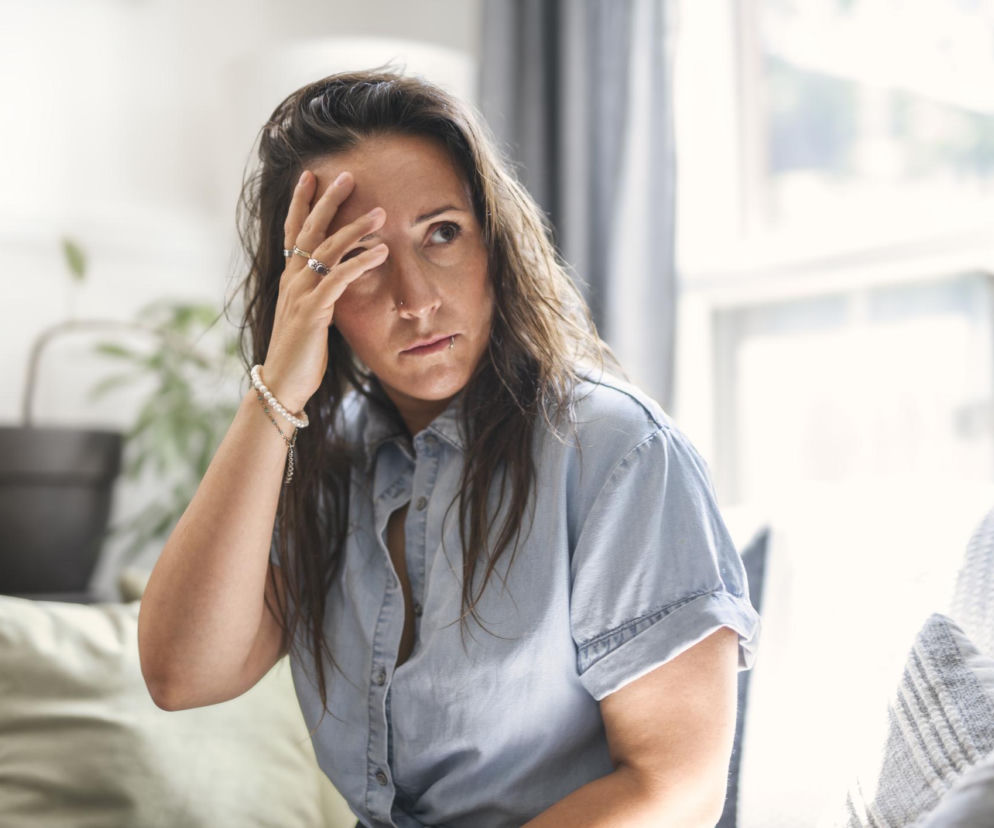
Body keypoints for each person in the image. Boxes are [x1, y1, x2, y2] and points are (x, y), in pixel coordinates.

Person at [137, 70, 760, 828]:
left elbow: (675, 790)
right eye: (359, 259)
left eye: (442, 233)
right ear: (312, 294)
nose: (415, 298)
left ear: (495, 242)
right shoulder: (328, 469)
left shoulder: (618, 452)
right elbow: (180, 672)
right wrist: (276, 389)